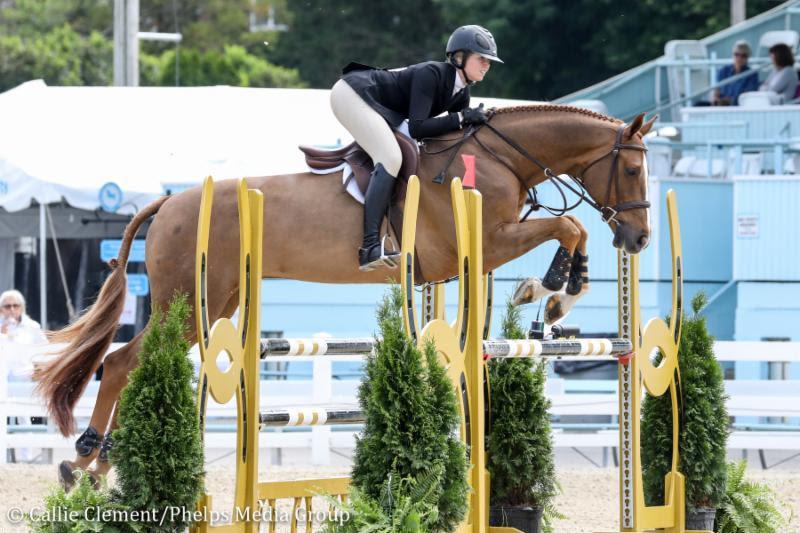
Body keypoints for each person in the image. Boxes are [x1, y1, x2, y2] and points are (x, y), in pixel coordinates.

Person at [330, 25, 502, 271]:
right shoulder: (432, 74)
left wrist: (472, 183)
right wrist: (461, 119)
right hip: (353, 93)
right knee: (390, 157)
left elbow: (457, 144)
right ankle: (369, 247)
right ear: (460, 57)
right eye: (481, 58)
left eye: (490, 61)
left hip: (382, 108)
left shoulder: (461, 94)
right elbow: (418, 128)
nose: (487, 65)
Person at [713, 40, 759, 106]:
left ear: (748, 57)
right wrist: (715, 99)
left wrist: (729, 101)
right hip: (720, 105)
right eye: (736, 54)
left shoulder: (752, 74)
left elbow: (747, 96)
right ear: (733, 55)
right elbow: (716, 92)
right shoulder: (723, 71)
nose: (739, 58)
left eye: (743, 55)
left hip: (738, 107)